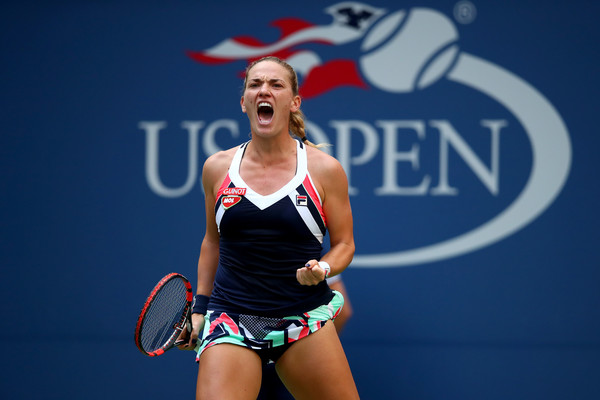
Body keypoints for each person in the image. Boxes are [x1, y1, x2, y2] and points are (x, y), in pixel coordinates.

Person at [179, 56, 360, 400]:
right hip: (231, 317)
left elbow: (345, 245)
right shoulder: (217, 167)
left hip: (302, 318)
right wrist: (200, 310)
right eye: (255, 84)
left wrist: (323, 268)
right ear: (244, 101)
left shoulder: (325, 170)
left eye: (276, 85)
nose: (265, 90)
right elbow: (212, 242)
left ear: (293, 103)